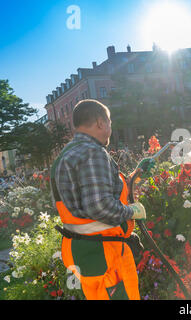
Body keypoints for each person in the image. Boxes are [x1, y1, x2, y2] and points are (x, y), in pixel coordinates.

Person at [50, 99, 147, 300]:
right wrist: (132, 211)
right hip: (106, 252)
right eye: (109, 123)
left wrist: (136, 173)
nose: (111, 128)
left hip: (85, 252)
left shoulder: (65, 156)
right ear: (100, 123)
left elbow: (90, 196)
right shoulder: (93, 153)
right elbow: (99, 206)